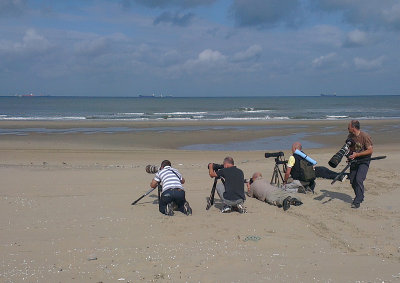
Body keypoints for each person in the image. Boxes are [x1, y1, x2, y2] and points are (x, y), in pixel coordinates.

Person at [346, 120, 373, 209]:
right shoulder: (350, 136)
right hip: (354, 160)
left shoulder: (364, 136)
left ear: (353, 128)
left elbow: (370, 150)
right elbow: (349, 149)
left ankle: (358, 200)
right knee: (352, 180)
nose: (347, 128)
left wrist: (357, 154)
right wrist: (349, 157)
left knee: (359, 179)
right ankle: (360, 196)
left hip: (364, 160)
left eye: (348, 127)